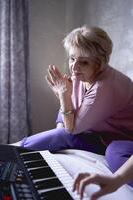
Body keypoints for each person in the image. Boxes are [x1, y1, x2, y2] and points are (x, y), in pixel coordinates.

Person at [13, 25, 133, 187]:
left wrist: (63, 95)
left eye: (83, 62)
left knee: (115, 153)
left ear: (99, 64)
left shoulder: (105, 87)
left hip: (124, 140)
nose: (74, 67)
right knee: (55, 136)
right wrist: (59, 133)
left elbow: (72, 127)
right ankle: (8, 156)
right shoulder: (82, 75)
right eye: (72, 58)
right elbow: (67, 118)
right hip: (100, 136)